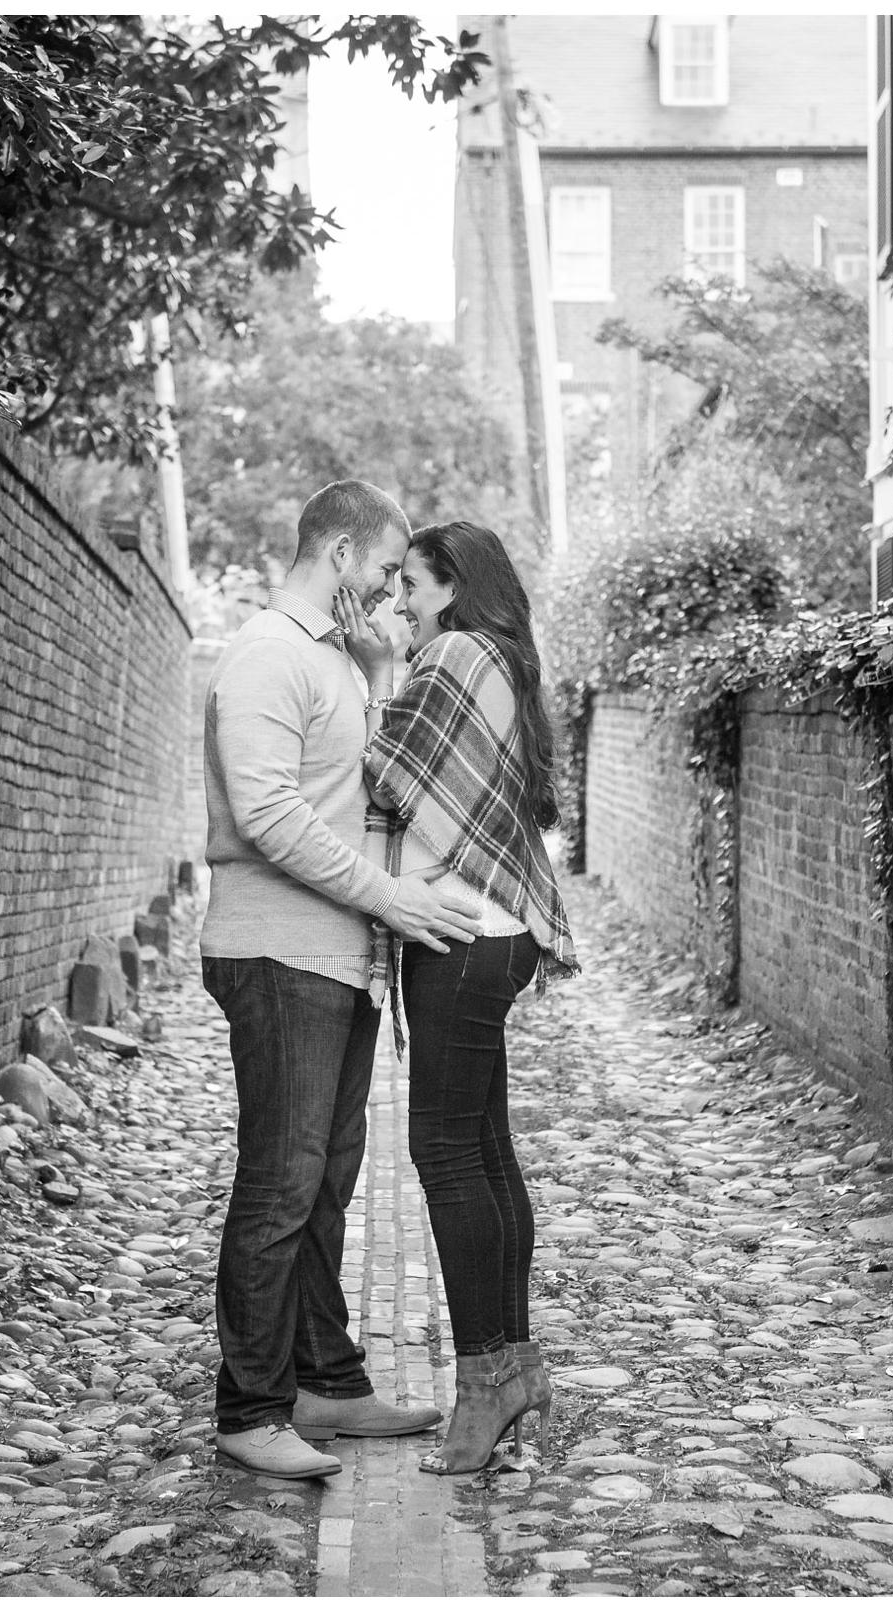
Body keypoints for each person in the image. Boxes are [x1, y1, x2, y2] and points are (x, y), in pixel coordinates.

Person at [200, 480, 485, 1479]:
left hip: (333, 961)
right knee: (280, 1185)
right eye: (379, 568)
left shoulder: (328, 657)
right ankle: (250, 1407)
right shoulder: (268, 654)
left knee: (325, 1183)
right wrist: (390, 898)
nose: (389, 589)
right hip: (279, 955)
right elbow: (269, 813)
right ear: (338, 552)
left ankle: (325, 1381)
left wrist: (375, 662)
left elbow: (348, 791)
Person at [334, 519, 579, 1475]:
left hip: (463, 936)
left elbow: (383, 772)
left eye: (413, 585)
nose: (399, 600)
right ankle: (515, 1365)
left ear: (453, 586)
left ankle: (482, 1383)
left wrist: (375, 668)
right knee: (483, 1145)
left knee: (443, 1150)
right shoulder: (501, 658)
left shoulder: (453, 659)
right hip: (495, 932)